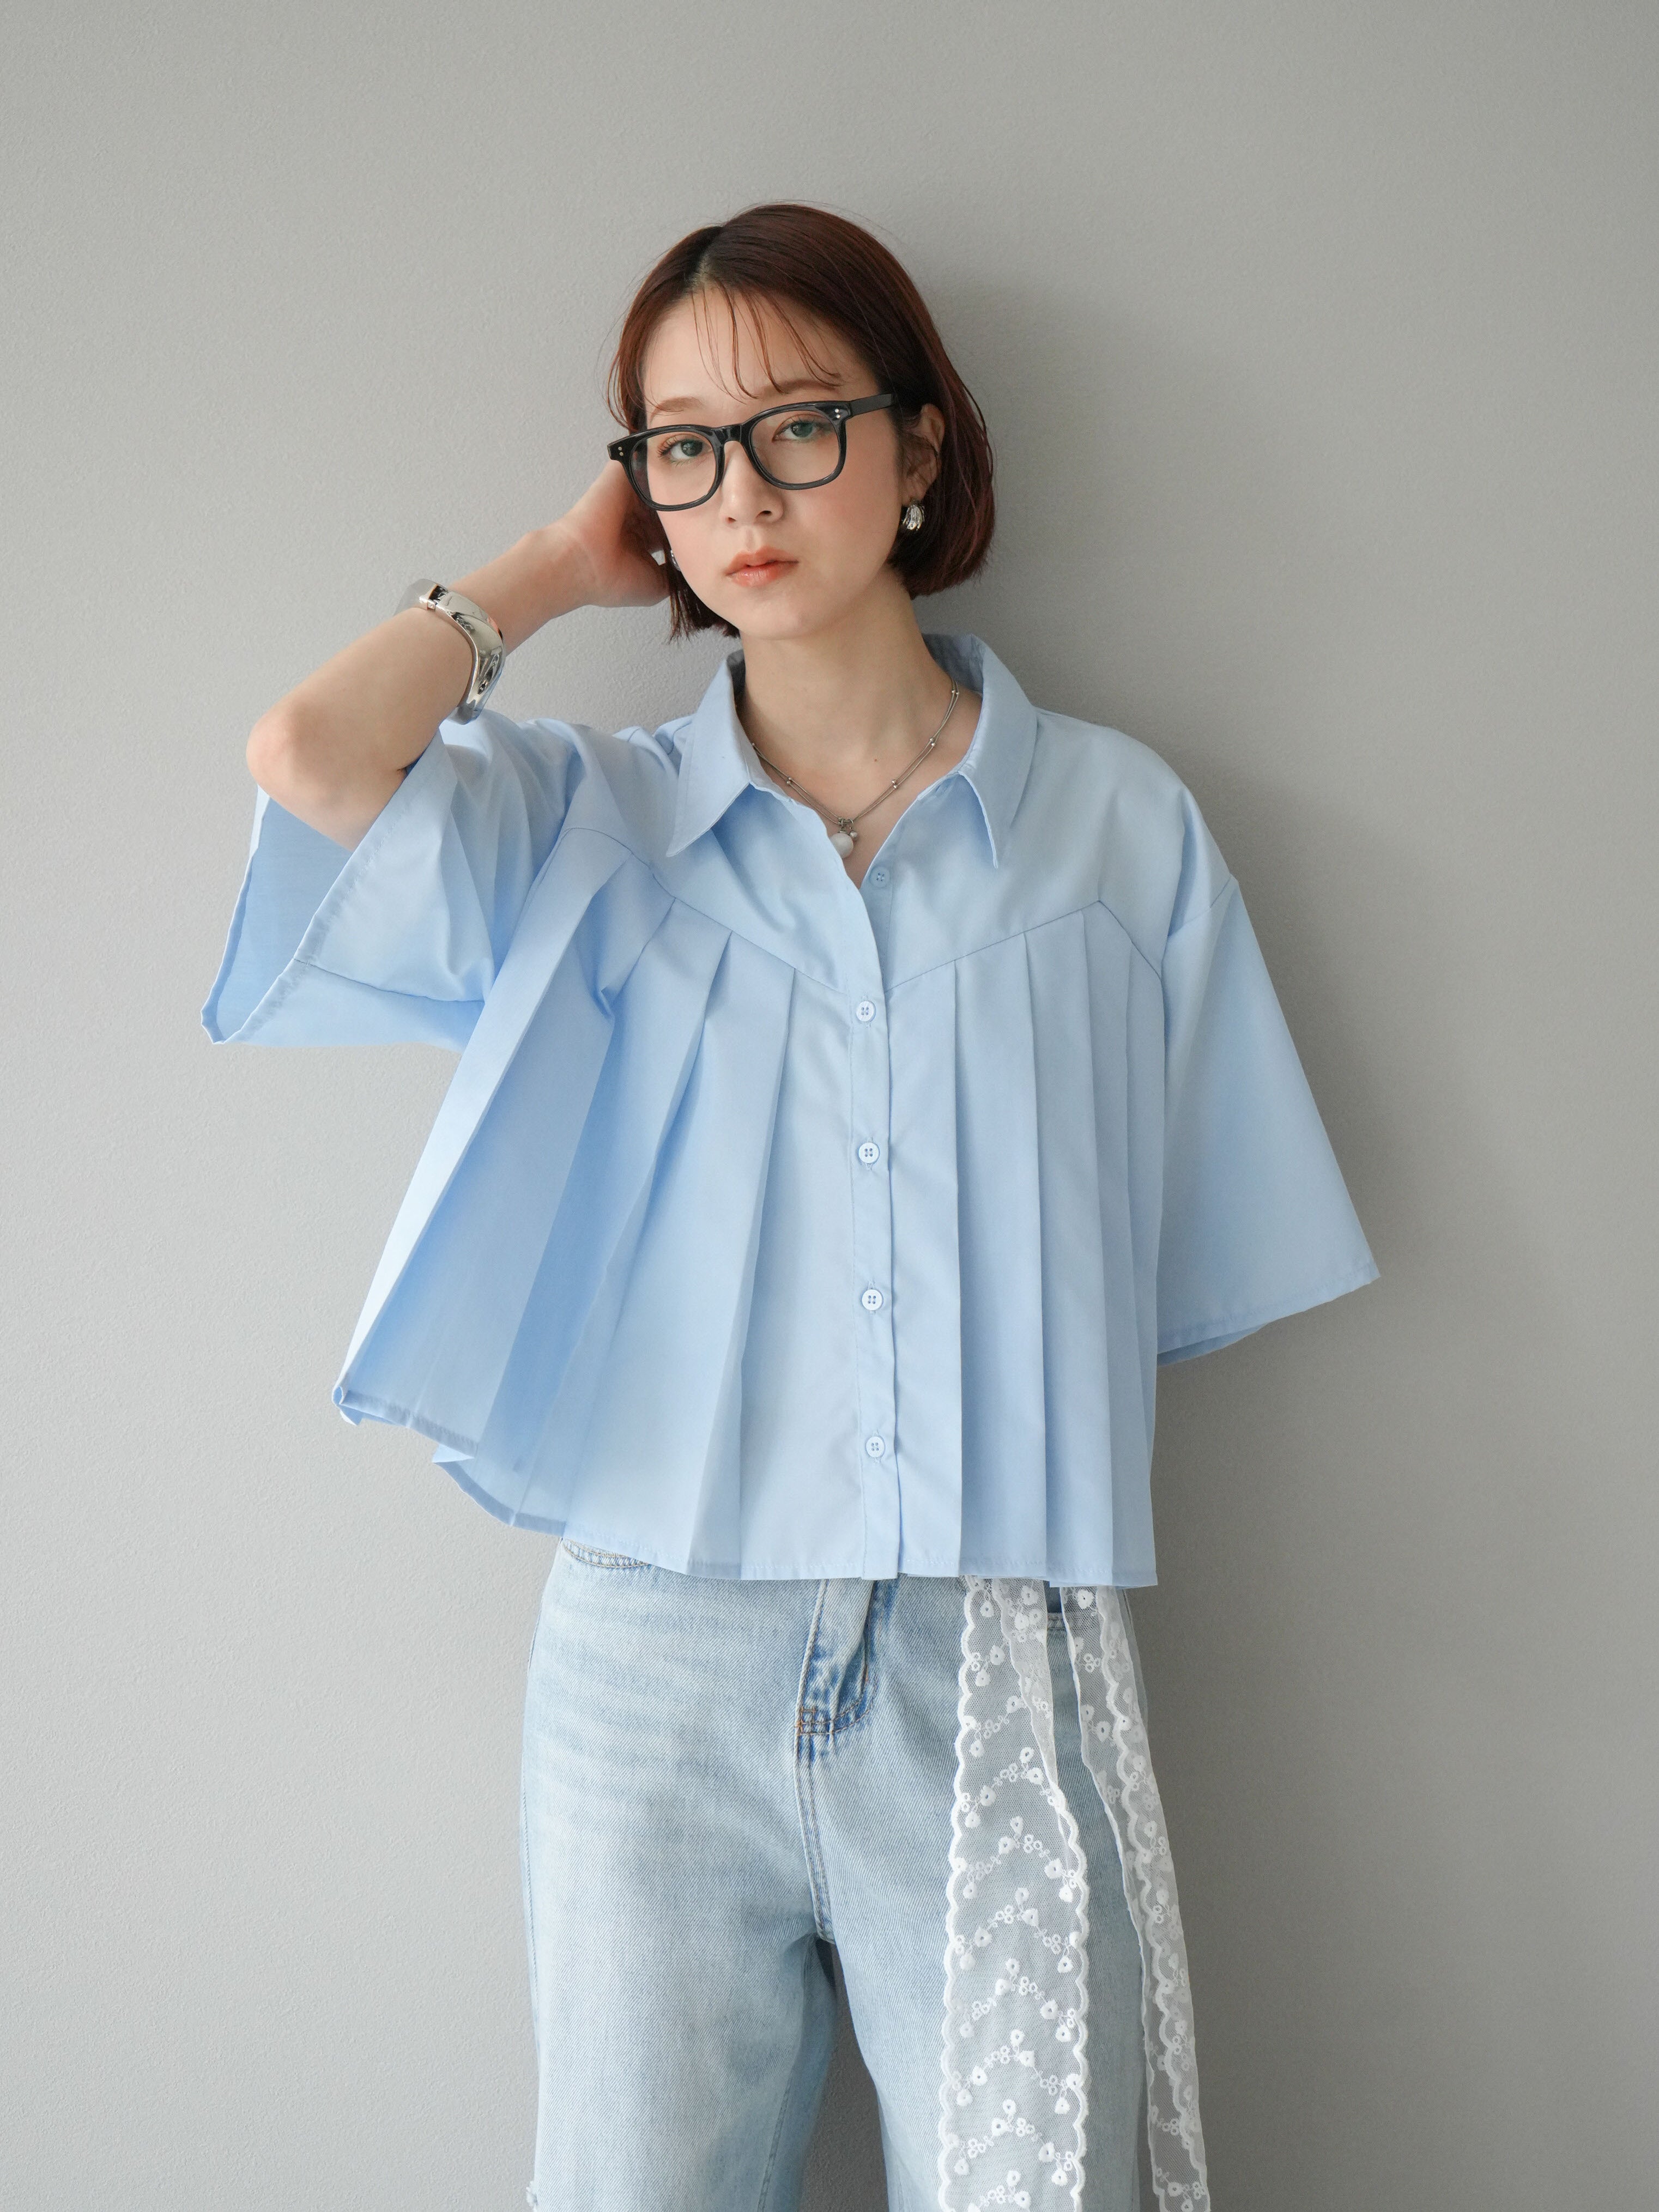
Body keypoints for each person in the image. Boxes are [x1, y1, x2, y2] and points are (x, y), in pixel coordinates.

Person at [202, 203, 1378, 2212]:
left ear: (921, 447)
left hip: (993, 1654)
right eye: (683, 447)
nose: (741, 494)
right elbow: (309, 757)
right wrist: (555, 565)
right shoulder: (587, 821)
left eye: (799, 425)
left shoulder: (1117, 829)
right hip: (648, 1662)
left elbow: (1171, 1268)